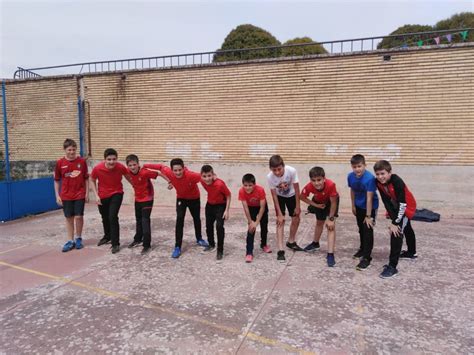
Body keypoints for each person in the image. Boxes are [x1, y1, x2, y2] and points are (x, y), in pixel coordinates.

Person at [143, 159, 209, 258]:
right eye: (175, 170)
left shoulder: (191, 175)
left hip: (194, 198)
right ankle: (177, 246)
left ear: (183, 168)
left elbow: (205, 178)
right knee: (179, 220)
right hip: (181, 199)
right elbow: (160, 167)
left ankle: (199, 238)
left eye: (180, 170)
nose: (178, 172)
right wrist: (145, 165)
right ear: (172, 170)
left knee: (196, 218)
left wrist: (215, 180)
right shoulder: (168, 172)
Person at [374, 160, 417, 278]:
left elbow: (403, 203)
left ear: (389, 172)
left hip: (407, 206)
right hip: (395, 205)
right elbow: (386, 201)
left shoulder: (397, 181)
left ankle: (392, 266)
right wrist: (393, 216)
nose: (380, 177)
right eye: (377, 174)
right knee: (406, 227)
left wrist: (395, 222)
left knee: (396, 232)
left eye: (383, 173)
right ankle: (412, 252)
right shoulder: (378, 183)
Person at [125, 154, 170, 255]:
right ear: (127, 166)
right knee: (138, 220)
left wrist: (169, 181)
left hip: (147, 199)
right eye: (130, 165)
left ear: (138, 164)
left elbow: (159, 173)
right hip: (137, 199)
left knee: (145, 221)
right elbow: (124, 174)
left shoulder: (145, 172)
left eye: (134, 164)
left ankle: (147, 245)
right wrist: (131, 183)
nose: (132, 167)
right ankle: (137, 239)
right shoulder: (127, 171)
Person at [90, 148, 130, 254]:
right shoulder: (97, 168)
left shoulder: (120, 167)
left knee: (112, 216)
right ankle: (107, 236)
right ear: (105, 160)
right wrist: (96, 195)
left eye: (114, 159)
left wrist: (136, 186)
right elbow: (92, 180)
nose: (112, 162)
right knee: (105, 217)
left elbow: (128, 176)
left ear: (116, 159)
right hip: (102, 196)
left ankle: (115, 243)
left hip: (117, 193)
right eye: (109, 159)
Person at [54, 138, 89, 252]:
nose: (72, 152)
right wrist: (57, 195)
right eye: (69, 150)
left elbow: (86, 179)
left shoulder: (82, 162)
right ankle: (70, 240)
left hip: (79, 194)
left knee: (79, 216)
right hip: (66, 195)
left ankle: (78, 238)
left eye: (73, 149)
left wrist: (87, 193)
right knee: (69, 218)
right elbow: (56, 180)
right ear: (65, 150)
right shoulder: (60, 163)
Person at [300, 166, 339, 267]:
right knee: (319, 223)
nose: (317, 183)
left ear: (324, 178)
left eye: (319, 180)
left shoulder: (331, 185)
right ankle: (315, 243)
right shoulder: (309, 186)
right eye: (313, 180)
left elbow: (334, 203)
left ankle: (330, 254)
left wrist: (331, 218)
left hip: (331, 202)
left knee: (330, 227)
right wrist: (315, 205)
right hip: (319, 201)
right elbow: (301, 197)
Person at [267, 155, 302, 263]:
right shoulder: (270, 177)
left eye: (279, 169)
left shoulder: (291, 171)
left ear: (283, 166)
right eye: (274, 170)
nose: (277, 172)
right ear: (271, 169)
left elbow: (296, 189)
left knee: (296, 218)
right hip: (279, 197)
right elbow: (274, 195)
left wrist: (298, 206)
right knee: (280, 221)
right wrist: (279, 214)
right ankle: (280, 250)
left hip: (291, 195)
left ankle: (291, 241)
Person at [348, 154, 379, 270]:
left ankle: (367, 257)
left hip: (369, 208)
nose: (357, 169)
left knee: (368, 230)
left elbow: (370, 198)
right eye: (354, 167)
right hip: (358, 205)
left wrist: (369, 216)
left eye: (359, 166)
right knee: (361, 228)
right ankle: (362, 249)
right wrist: (353, 205)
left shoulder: (370, 178)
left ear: (365, 165)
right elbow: (352, 190)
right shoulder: (350, 176)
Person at [200, 165, 231, 261]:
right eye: (204, 176)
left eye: (209, 176)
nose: (207, 178)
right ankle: (211, 244)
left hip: (220, 206)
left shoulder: (220, 184)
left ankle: (220, 251)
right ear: (201, 176)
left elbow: (228, 195)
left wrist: (227, 210)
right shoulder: (202, 180)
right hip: (209, 205)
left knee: (219, 226)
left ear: (213, 175)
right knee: (208, 226)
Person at [238, 173, 272, 263]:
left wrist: (257, 222)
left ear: (254, 184)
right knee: (251, 229)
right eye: (245, 185)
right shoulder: (241, 191)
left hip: (261, 207)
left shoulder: (260, 190)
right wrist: (251, 222)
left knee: (264, 226)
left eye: (250, 185)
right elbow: (245, 208)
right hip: (250, 208)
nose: (247, 188)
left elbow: (262, 207)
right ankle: (249, 252)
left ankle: (263, 244)